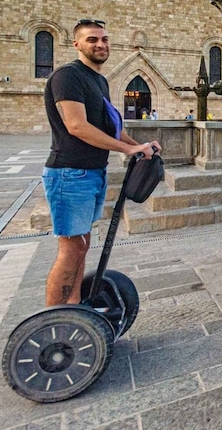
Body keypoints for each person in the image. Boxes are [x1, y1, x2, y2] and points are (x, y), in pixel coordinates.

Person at [42, 19, 160, 306]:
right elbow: (77, 126)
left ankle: (73, 306)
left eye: (104, 39)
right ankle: (54, 318)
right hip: (69, 173)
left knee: (81, 245)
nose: (100, 45)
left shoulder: (100, 81)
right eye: (92, 39)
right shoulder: (68, 76)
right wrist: (126, 150)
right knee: (71, 248)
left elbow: (112, 128)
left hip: (92, 172)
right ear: (77, 44)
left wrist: (140, 146)